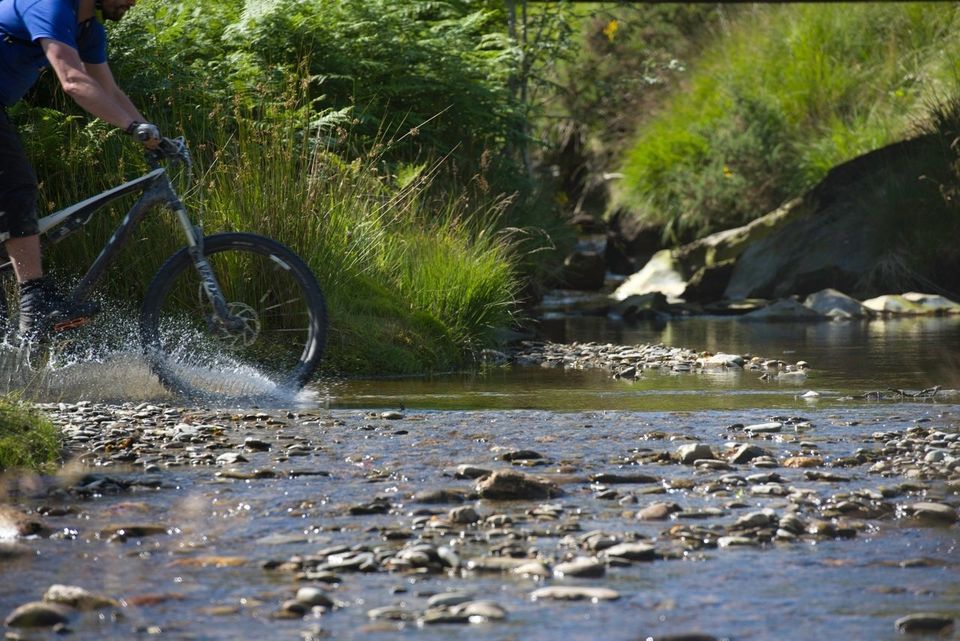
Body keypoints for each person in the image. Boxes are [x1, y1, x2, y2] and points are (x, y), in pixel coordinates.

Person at [0, 0, 161, 338]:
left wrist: (154, 136)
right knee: (17, 185)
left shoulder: (88, 29)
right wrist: (132, 128)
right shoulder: (50, 4)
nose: (134, 1)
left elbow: (109, 90)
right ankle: (33, 300)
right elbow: (72, 80)